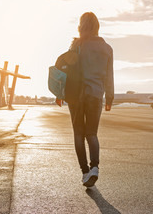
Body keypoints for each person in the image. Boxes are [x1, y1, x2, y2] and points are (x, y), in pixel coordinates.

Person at [56, 12, 114, 187]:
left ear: (81, 26)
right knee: (92, 134)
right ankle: (95, 167)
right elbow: (109, 76)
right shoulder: (107, 48)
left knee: (79, 134)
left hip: (77, 96)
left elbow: (64, 68)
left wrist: (59, 93)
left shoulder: (77, 45)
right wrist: (109, 97)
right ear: (97, 27)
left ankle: (85, 172)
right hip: (96, 95)